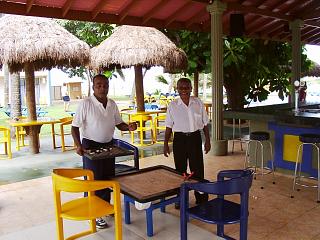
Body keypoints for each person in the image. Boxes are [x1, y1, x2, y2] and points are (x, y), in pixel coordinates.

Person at [71, 74, 137, 229]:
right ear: (93, 87)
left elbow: (118, 123)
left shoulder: (112, 104)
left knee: (107, 179)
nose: (102, 88)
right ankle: (93, 213)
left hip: (109, 146)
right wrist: (78, 145)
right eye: (98, 85)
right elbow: (74, 127)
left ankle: (105, 207)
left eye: (105, 85)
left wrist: (128, 127)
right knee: (93, 181)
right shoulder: (86, 103)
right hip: (90, 146)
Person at [163, 77, 211, 207]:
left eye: (186, 87)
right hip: (179, 139)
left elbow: (205, 123)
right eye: (181, 88)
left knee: (197, 169)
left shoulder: (198, 103)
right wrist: (165, 144)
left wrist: (207, 140)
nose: (184, 90)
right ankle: (180, 199)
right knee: (180, 170)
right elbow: (168, 126)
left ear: (191, 88)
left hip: (195, 138)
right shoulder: (173, 106)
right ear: (177, 89)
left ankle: (201, 198)